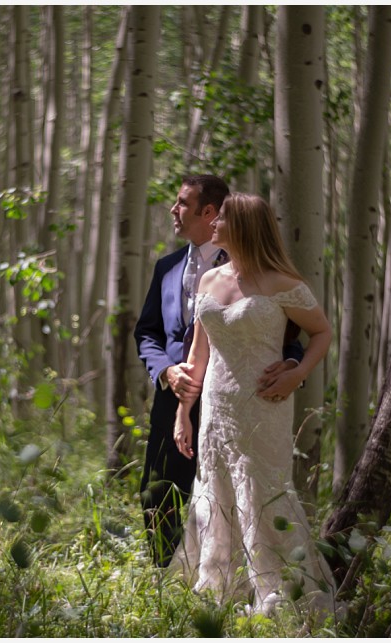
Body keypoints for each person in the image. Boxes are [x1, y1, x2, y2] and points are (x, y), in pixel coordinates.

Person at [170, 192, 336, 615]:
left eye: (221, 217)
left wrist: (298, 373)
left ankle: (282, 599)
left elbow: (321, 333)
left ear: (241, 224)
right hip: (215, 408)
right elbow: (197, 358)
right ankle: (219, 593)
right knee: (215, 494)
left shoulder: (282, 283)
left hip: (264, 404)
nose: (214, 223)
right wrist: (182, 412)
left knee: (264, 493)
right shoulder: (209, 279)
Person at [134, 175, 304, 568]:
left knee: (239, 495)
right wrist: (165, 371)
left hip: (243, 400)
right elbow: (147, 332)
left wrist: (293, 366)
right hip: (175, 398)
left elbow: (287, 334)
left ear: (207, 211)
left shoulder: (252, 263)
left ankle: (247, 578)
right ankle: (167, 581)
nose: (173, 210)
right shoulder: (166, 267)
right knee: (158, 491)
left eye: (181, 203)